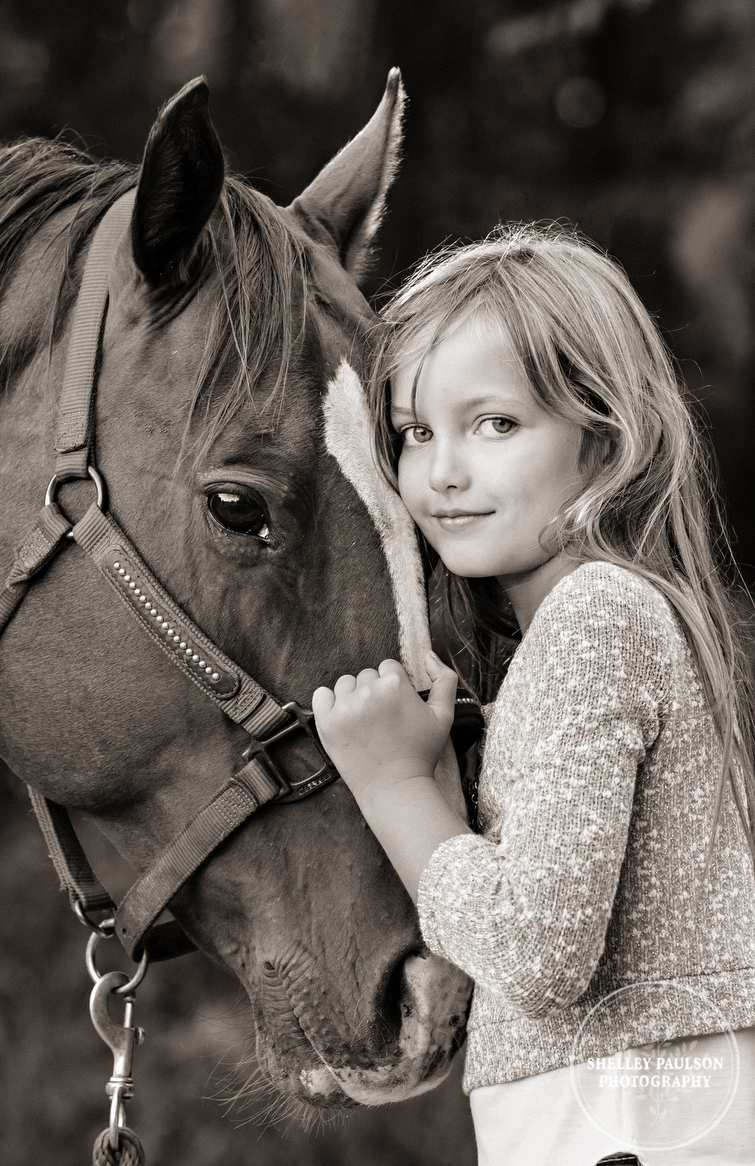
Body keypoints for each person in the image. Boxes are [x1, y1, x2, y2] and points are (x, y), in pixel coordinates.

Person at [311, 225, 755, 1166]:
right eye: (414, 432)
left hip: (626, 1124)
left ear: (607, 437)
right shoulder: (600, 622)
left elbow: (541, 955)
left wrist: (392, 784)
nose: (443, 471)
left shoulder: (594, 616)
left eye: (496, 424)